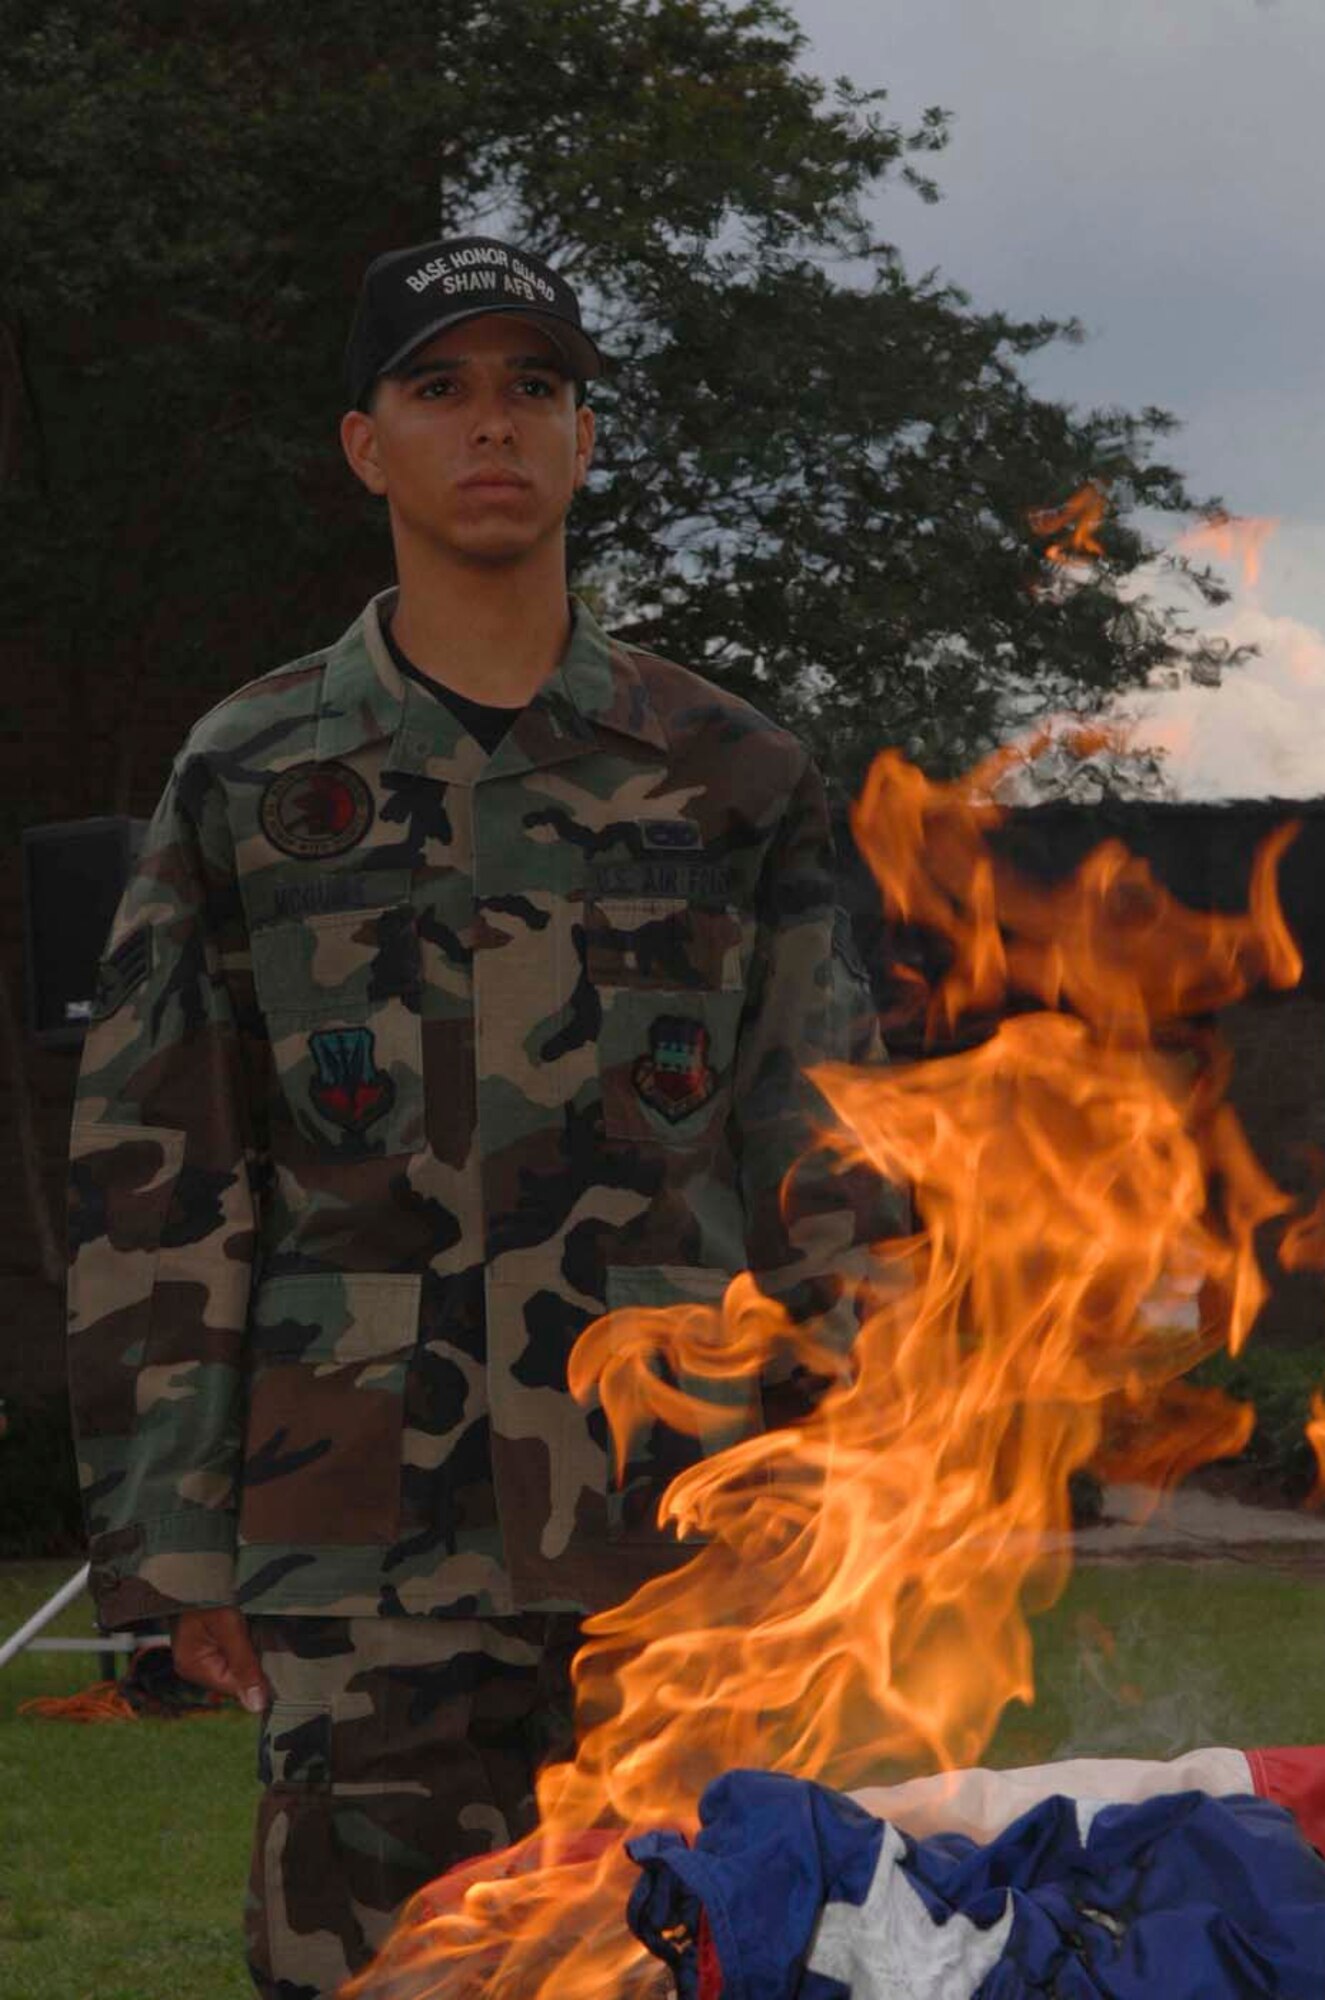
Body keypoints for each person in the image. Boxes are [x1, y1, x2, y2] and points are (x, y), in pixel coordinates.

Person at [65, 233, 888, 1997]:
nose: (488, 426)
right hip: (353, 1530)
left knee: (702, 1963)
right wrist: (163, 1553)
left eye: (532, 388)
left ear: (586, 439)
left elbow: (824, 1153)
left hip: (681, 1523)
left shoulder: (730, 770)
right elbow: (162, 1178)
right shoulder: (252, 771)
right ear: (367, 446)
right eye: (439, 389)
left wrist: (861, 1479)